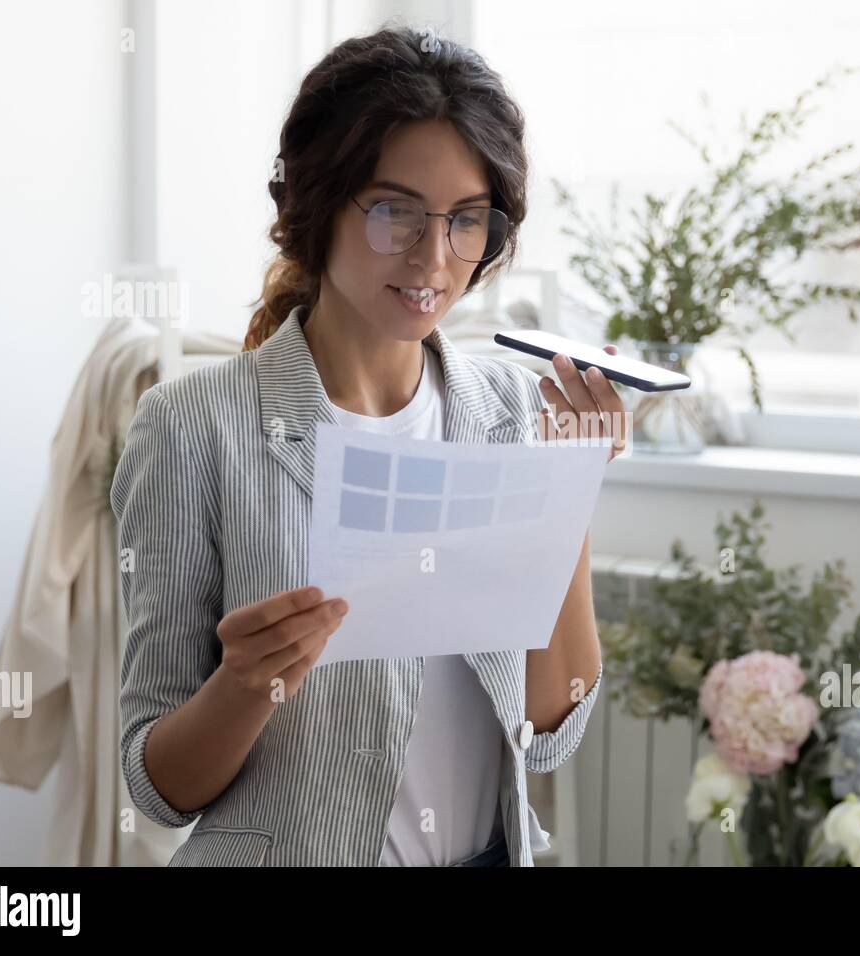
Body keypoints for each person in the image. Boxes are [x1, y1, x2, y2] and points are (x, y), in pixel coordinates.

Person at [111, 25, 627, 867]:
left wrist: (567, 495)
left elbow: (545, 734)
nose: (434, 257)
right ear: (314, 206)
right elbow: (156, 787)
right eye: (395, 212)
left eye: (466, 220)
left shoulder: (506, 407)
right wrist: (244, 685)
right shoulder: (190, 428)